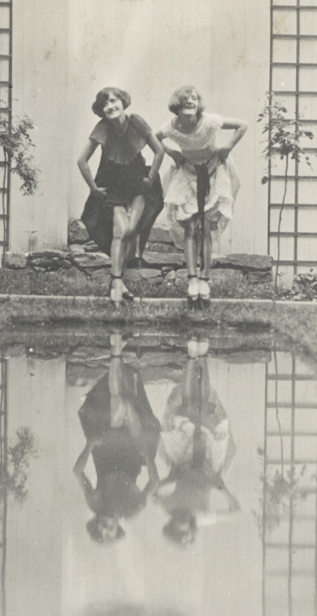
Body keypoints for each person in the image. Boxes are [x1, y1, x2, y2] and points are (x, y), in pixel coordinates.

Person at [156, 87, 248, 308]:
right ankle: (192, 279)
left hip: (213, 172)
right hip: (188, 174)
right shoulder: (172, 126)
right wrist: (170, 152)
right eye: (186, 99)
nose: (190, 101)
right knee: (189, 227)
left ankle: (206, 278)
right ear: (177, 104)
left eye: (194, 98)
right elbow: (152, 137)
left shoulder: (208, 121)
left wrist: (227, 147)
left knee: (206, 227)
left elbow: (242, 125)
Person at [78, 88, 164, 305]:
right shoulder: (103, 128)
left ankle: (119, 282)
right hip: (113, 184)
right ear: (101, 110)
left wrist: (151, 178)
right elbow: (82, 161)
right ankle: (117, 282)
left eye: (114, 101)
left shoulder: (136, 122)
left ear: (123, 102)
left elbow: (159, 151)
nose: (110, 106)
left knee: (131, 231)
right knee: (121, 231)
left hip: (137, 183)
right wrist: (93, 189)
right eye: (105, 104)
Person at [73, 333, 161, 544]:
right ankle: (120, 357)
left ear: (95, 522)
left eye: (99, 528)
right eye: (108, 531)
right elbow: (154, 482)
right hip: (133, 453)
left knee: (118, 401)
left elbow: (77, 471)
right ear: (117, 528)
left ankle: (116, 351)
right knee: (128, 405)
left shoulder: (95, 504)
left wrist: (90, 444)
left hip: (107, 451)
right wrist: (148, 458)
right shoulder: (132, 509)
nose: (104, 527)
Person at [156, 338, 239, 546]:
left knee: (186, 408)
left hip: (184, 459)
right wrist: (222, 488)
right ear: (192, 526)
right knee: (205, 410)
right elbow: (235, 511)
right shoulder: (203, 518)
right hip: (209, 465)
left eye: (178, 520)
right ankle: (203, 356)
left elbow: (153, 497)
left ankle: (192, 357)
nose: (183, 517)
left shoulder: (169, 508)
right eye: (186, 521)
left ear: (172, 521)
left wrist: (168, 480)